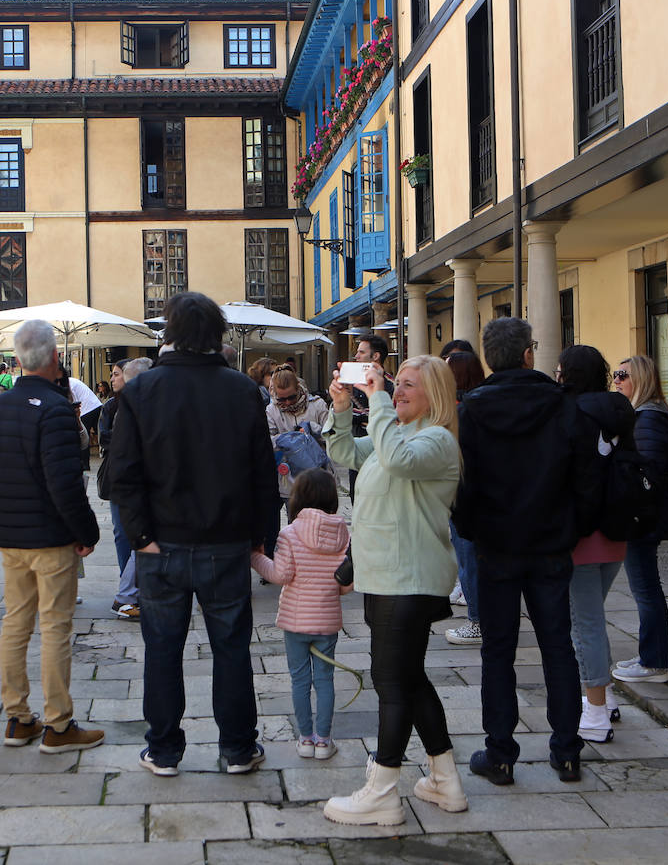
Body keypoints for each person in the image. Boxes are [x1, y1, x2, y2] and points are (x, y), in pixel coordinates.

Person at [108, 291, 278, 778]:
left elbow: (122, 474)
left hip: (161, 543)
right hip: (225, 541)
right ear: (215, 334)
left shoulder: (141, 391)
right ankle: (238, 747)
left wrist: (140, 537)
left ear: (171, 332)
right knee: (231, 648)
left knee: (163, 650)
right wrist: (259, 536)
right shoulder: (241, 390)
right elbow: (262, 474)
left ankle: (164, 749)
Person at [321, 353, 467, 824]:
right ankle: (445, 780)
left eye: (407, 384)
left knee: (390, 681)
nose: (396, 390)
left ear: (434, 395)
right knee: (408, 677)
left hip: (408, 577)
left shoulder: (437, 440)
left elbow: (399, 463)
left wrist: (379, 398)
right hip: (386, 575)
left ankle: (382, 789)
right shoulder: (396, 434)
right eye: (394, 381)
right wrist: (342, 407)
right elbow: (346, 453)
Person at [454, 317, 599, 786]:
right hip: (550, 541)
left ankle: (500, 753)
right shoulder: (562, 405)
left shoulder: (473, 409)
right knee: (557, 646)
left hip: (496, 544)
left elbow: (462, 482)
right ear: (527, 354)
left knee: (498, 650)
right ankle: (567, 750)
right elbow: (586, 477)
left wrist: (471, 530)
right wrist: (573, 527)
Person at [0, 320, 105, 754]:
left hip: (12, 536)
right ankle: (58, 724)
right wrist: (86, 532)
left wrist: (2, 516)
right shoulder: (56, 410)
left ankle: (18, 717)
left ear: (17, 359)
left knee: (15, 623)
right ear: (55, 357)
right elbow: (65, 484)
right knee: (54, 627)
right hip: (50, 537)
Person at [557, 345, 634, 742]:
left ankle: (596, 712)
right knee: (592, 619)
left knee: (584, 624)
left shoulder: (569, 412)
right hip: (617, 528)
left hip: (580, 533)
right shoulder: (620, 409)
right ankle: (605, 696)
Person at [250, 468, 351, 761]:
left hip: (295, 622)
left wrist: (256, 557)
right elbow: (344, 585)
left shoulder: (289, 533)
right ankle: (324, 741)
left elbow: (280, 575)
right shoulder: (342, 533)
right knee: (325, 680)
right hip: (327, 621)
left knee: (299, 680)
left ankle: (305, 739)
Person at [609, 355, 668, 684]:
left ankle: (654, 662)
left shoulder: (648, 418)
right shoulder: (645, 416)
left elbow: (647, 471)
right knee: (647, 586)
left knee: (645, 587)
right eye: (615, 374)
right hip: (643, 514)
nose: (616, 380)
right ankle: (657, 655)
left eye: (623, 375)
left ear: (641, 379)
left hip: (642, 516)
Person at [98, 357, 153, 619]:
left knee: (136, 538)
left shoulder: (133, 405)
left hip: (129, 481)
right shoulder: (120, 407)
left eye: (117, 374)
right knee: (131, 537)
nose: (112, 379)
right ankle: (127, 593)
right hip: (129, 482)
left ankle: (129, 591)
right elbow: (112, 441)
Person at [442, 350, 486, 642]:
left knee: (468, 560)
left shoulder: (458, 410)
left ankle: (477, 621)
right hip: (486, 494)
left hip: (463, 494)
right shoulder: (484, 403)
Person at [265, 362, 332, 512]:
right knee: (295, 522)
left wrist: (312, 428)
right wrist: (291, 438)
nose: (287, 403)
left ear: (298, 388)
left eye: (292, 397)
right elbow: (266, 441)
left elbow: (331, 435)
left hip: (318, 477)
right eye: (282, 399)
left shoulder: (317, 405)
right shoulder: (271, 410)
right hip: (288, 480)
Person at [349, 334, 393, 436]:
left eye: (361, 352)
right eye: (357, 352)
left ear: (375, 356)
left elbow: (388, 415)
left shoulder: (391, 384)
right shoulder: (353, 382)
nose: (356, 356)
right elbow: (343, 413)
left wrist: (358, 414)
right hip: (355, 441)